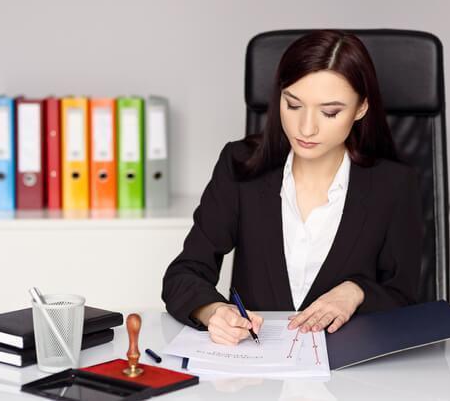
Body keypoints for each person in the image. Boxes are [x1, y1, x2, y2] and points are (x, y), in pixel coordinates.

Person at [162, 30, 425, 346]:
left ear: (361, 108)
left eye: (329, 112)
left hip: (350, 382)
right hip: (258, 380)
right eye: (293, 104)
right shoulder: (240, 165)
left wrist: (357, 291)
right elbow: (183, 274)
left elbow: (408, 298)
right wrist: (214, 311)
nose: (306, 128)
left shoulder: (394, 184)